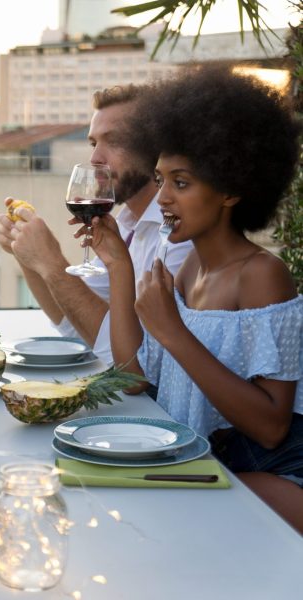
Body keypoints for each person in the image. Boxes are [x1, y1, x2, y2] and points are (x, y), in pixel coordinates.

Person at [87, 66, 303, 533]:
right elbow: (132, 379)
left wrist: (173, 332)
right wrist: (120, 268)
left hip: (279, 472)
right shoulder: (189, 269)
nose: (163, 197)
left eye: (181, 183)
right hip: (212, 461)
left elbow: (270, 427)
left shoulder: (263, 276)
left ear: (231, 190)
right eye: (161, 179)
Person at [0, 85, 192, 366]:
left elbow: (135, 365)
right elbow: (75, 323)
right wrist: (27, 255)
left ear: (155, 147)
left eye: (113, 141)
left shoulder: (179, 235)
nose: (95, 158)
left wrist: (52, 263)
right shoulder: (124, 225)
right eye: (93, 143)